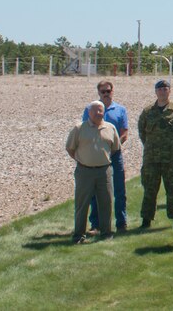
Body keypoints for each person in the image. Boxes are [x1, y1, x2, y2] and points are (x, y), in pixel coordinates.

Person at [66, 100, 121, 243]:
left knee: (106, 202)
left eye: (100, 110)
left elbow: (115, 148)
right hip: (84, 172)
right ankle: (79, 235)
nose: (98, 113)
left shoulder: (111, 128)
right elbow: (70, 148)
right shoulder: (79, 128)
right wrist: (83, 160)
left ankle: (106, 233)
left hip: (104, 171)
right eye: (95, 110)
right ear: (88, 112)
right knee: (82, 204)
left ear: (104, 112)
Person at [138, 80, 173, 229]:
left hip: (171, 158)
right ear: (155, 91)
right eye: (159, 89)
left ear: (169, 91)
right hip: (152, 158)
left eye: (165, 89)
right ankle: (146, 220)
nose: (162, 91)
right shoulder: (147, 112)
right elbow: (142, 133)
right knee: (149, 189)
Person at [81, 80, 129, 233]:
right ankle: (96, 224)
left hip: (115, 154)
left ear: (113, 91)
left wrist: (114, 145)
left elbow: (124, 133)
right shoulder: (90, 110)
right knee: (96, 191)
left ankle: (121, 223)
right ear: (99, 93)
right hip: (98, 156)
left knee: (119, 190)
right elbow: (86, 130)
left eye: (108, 91)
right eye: (103, 92)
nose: (106, 94)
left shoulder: (120, 110)